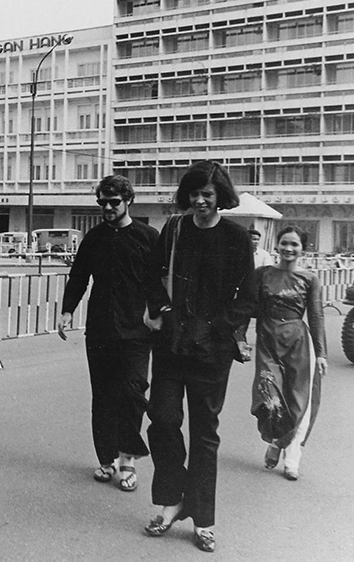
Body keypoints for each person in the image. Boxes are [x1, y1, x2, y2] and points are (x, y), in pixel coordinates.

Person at [142, 160, 255, 554]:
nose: (200, 200)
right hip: (172, 346)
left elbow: (248, 298)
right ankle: (174, 499)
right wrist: (163, 311)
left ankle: (203, 519)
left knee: (204, 435)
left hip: (212, 352)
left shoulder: (237, 238)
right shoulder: (173, 229)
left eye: (207, 194)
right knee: (163, 419)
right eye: (193, 194)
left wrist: (220, 329)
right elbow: (151, 275)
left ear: (220, 196)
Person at [59, 175, 159, 492]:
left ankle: (128, 460)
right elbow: (78, 277)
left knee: (132, 395)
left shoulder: (148, 237)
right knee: (102, 397)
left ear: (128, 201)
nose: (107, 207)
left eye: (113, 202)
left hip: (136, 332)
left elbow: (160, 281)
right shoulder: (94, 238)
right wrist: (66, 310)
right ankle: (106, 459)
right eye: (102, 202)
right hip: (100, 329)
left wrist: (156, 312)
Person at [251, 225, 327, 481]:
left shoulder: (310, 279)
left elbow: (316, 316)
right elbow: (248, 305)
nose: (288, 248)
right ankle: (276, 439)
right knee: (269, 398)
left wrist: (322, 353)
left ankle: (291, 459)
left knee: (298, 402)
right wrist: (238, 337)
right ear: (277, 245)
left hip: (298, 343)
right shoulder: (262, 274)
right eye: (284, 243)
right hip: (267, 341)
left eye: (294, 244)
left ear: (302, 249)